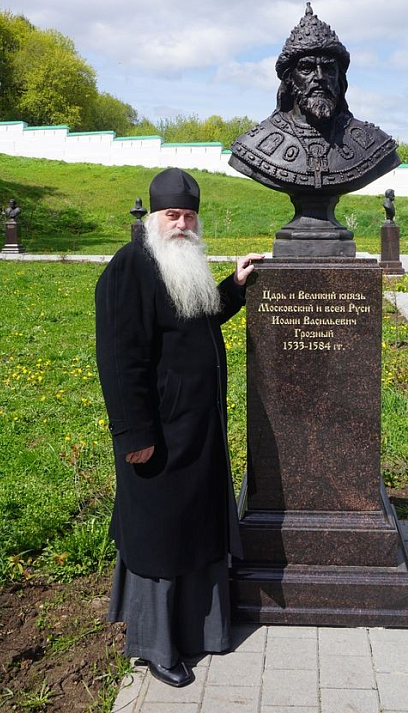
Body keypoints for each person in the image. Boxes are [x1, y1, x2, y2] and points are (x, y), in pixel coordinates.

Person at [95, 167, 261, 688]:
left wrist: (233, 287)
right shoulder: (131, 267)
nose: (182, 225)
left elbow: (198, 320)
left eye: (189, 216)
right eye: (173, 215)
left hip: (196, 431)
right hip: (158, 436)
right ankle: (155, 646)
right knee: (159, 538)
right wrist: (133, 435)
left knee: (194, 528)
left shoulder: (183, 263)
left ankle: (201, 629)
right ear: (154, 217)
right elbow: (119, 359)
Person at [229, 3, 400, 195]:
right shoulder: (254, 144)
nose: (319, 77)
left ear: (340, 78)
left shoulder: (374, 143)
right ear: (289, 78)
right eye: (306, 68)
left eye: (328, 69)